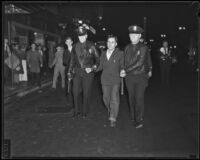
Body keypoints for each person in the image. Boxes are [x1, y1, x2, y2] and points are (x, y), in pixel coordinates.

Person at [67, 26, 100, 119]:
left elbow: (98, 59)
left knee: (86, 92)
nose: (81, 37)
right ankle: (76, 111)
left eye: (83, 35)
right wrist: (69, 71)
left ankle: (85, 111)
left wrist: (93, 68)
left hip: (88, 72)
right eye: (79, 36)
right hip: (77, 72)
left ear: (86, 35)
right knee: (75, 92)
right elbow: (72, 61)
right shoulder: (75, 47)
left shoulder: (91, 45)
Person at [122, 25, 149, 128]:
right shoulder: (127, 47)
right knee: (131, 98)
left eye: (135, 34)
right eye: (131, 34)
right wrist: (122, 69)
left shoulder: (143, 47)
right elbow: (124, 62)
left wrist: (125, 70)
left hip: (140, 77)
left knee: (139, 98)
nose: (132, 36)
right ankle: (133, 116)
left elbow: (139, 63)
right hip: (129, 78)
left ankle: (138, 119)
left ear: (139, 35)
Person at [96, 35, 125, 127]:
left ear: (116, 44)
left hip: (115, 79)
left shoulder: (120, 53)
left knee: (114, 98)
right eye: (108, 42)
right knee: (105, 98)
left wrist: (123, 70)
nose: (110, 44)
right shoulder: (103, 53)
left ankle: (113, 117)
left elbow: (122, 65)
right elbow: (100, 66)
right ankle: (111, 109)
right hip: (105, 79)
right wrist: (92, 68)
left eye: (112, 42)